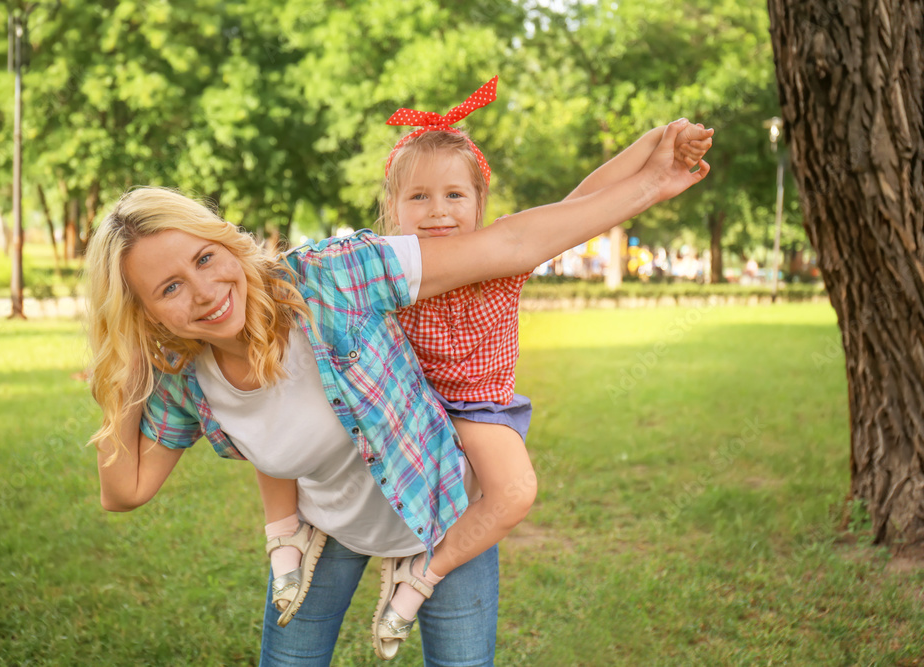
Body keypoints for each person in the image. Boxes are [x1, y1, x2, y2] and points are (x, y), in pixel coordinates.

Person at [86, 89, 711, 666]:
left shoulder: (333, 278)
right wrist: (122, 378)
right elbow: (125, 491)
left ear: (226, 243)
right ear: (144, 313)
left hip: (439, 496)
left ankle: (419, 576)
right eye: (169, 287)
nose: (204, 292)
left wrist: (653, 175)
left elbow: (526, 236)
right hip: (329, 523)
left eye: (204, 258)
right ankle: (298, 547)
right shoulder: (185, 376)